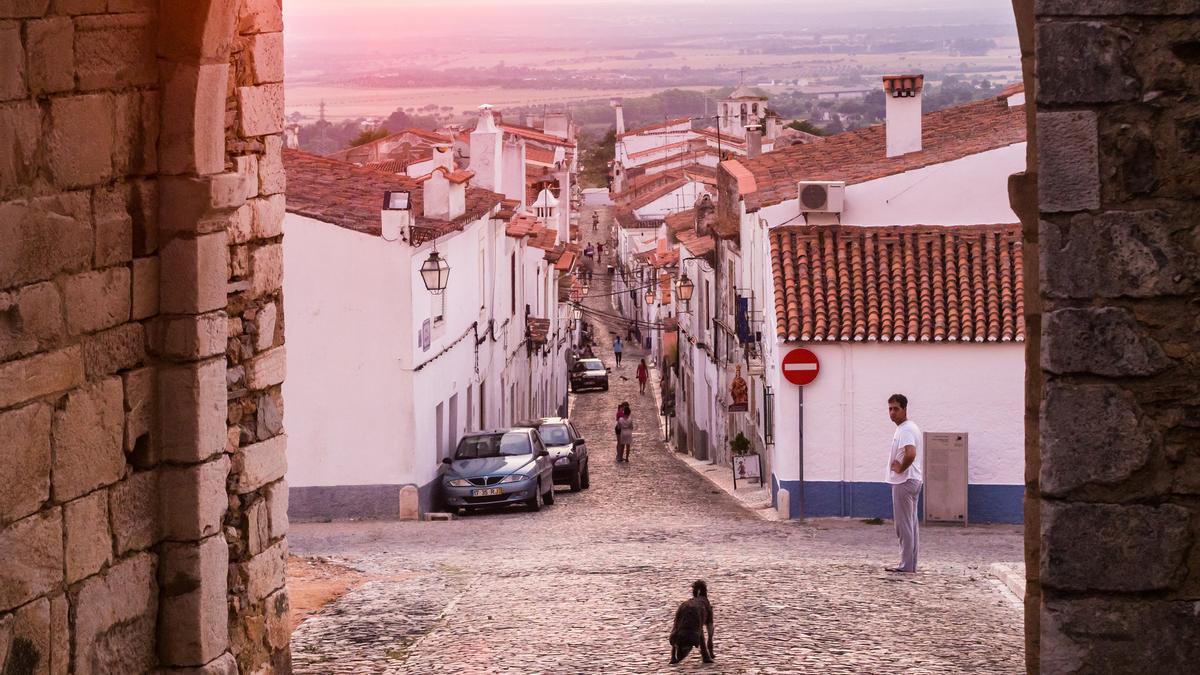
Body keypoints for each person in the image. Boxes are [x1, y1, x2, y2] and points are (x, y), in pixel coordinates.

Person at [884, 393, 923, 574]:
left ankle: (906, 565)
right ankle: (910, 563)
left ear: (905, 409)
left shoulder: (906, 429)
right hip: (913, 480)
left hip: (905, 481)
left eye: (896, 409)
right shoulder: (908, 427)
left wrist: (900, 469)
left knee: (903, 525)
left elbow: (911, 453)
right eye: (890, 409)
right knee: (911, 524)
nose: (892, 413)